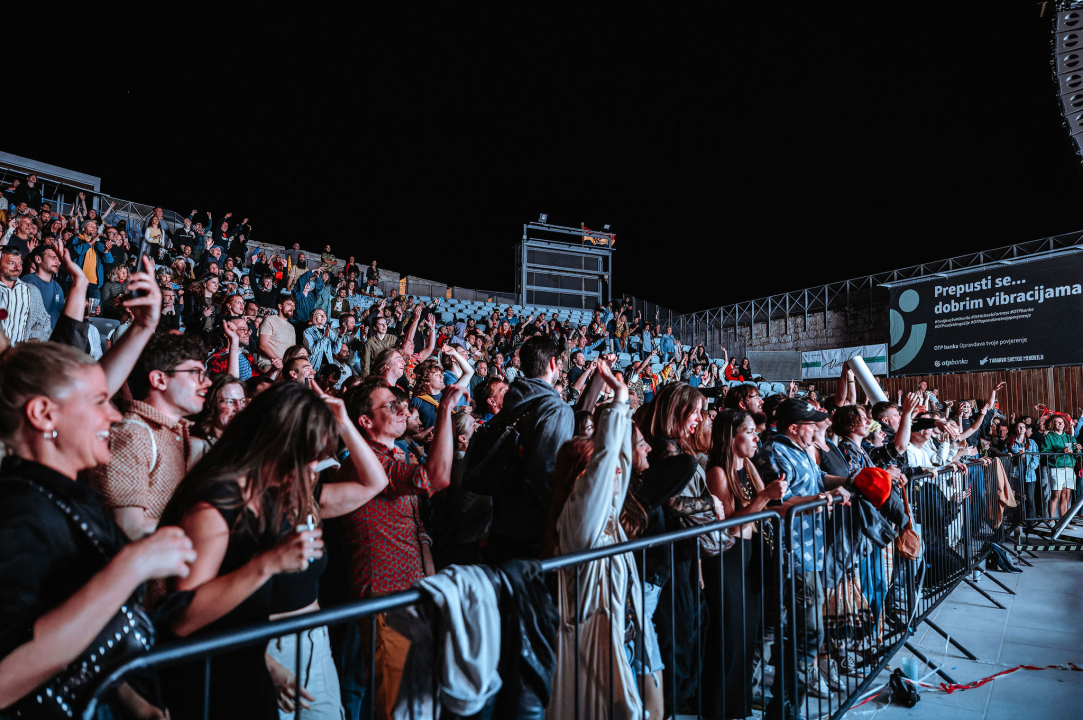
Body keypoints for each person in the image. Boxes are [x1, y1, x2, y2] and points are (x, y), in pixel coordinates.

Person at [158, 382, 391, 720]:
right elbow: (181, 619)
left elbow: (375, 483)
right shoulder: (216, 504)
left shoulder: (276, 493)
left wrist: (342, 421)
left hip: (266, 653)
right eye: (308, 458)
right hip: (224, 673)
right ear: (277, 445)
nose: (314, 469)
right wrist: (267, 563)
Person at [0, 326, 197, 715]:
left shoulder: (65, 495)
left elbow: (76, 634)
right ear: (43, 414)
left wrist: (132, 702)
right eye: (99, 401)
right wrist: (132, 566)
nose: (113, 414)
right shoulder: (19, 513)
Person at [340, 378, 464, 720]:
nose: (401, 408)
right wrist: (443, 413)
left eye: (400, 402)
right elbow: (437, 477)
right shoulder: (370, 462)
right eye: (389, 405)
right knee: (395, 705)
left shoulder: (397, 454)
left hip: (408, 594)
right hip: (384, 597)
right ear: (365, 422)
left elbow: (416, 528)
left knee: (415, 701)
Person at [545, 363, 645, 719]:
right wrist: (618, 403)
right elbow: (605, 465)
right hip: (585, 634)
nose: (617, 473)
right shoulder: (579, 520)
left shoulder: (604, 518)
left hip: (611, 629)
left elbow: (617, 462)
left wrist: (623, 411)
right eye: (596, 475)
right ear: (580, 479)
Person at [704, 408, 788, 720]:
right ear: (731, 436)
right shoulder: (717, 472)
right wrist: (766, 495)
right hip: (727, 560)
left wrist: (817, 501)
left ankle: (737, 707)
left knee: (748, 635)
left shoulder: (749, 466)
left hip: (750, 555)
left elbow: (769, 509)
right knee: (730, 639)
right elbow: (730, 525)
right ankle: (718, 710)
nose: (756, 437)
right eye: (749, 431)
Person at [482, 335, 576, 562]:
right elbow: (546, 472)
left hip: (502, 521)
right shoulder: (556, 409)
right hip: (535, 531)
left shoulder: (511, 404)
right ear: (553, 363)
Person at [189, 374, 248, 464]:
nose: (239, 408)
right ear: (211, 405)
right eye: (230, 402)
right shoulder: (198, 445)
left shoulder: (245, 442)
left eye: (242, 401)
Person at [0, 247, 51, 345]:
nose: (17, 267)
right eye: (11, 263)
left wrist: (34, 340)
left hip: (18, 355)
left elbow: (44, 323)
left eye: (20, 263)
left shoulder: (31, 291)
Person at [1040, 414, 1078, 519]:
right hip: (1056, 468)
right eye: (1058, 422)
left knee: (1067, 495)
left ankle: (1064, 520)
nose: (1061, 423)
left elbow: (1076, 450)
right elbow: (1045, 452)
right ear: (1053, 424)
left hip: (1069, 467)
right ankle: (1051, 519)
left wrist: (1078, 449)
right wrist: (1062, 451)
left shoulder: (1069, 437)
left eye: (1062, 422)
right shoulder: (1048, 437)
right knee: (1055, 495)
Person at [22, 246, 65, 329]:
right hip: (33, 338)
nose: (58, 262)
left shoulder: (57, 287)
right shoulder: (29, 281)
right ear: (38, 259)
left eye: (58, 258)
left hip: (51, 338)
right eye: (53, 258)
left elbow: (60, 312)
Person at [1009, 420, 1041, 519]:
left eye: (1023, 427)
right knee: (1018, 497)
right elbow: (1006, 456)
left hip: (1029, 474)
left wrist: (1031, 466)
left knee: (1030, 498)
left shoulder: (1031, 442)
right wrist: (1014, 456)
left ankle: (1031, 520)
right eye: (1018, 427)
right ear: (1016, 429)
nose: (1021, 429)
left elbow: (1036, 456)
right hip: (1016, 473)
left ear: (1026, 429)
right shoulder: (1011, 442)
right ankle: (1018, 519)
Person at [260, 296, 299, 366]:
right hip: (269, 363)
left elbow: (292, 349)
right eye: (289, 304)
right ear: (280, 306)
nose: (293, 307)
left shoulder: (291, 327)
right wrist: (279, 362)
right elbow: (263, 345)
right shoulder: (270, 320)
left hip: (285, 365)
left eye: (293, 305)